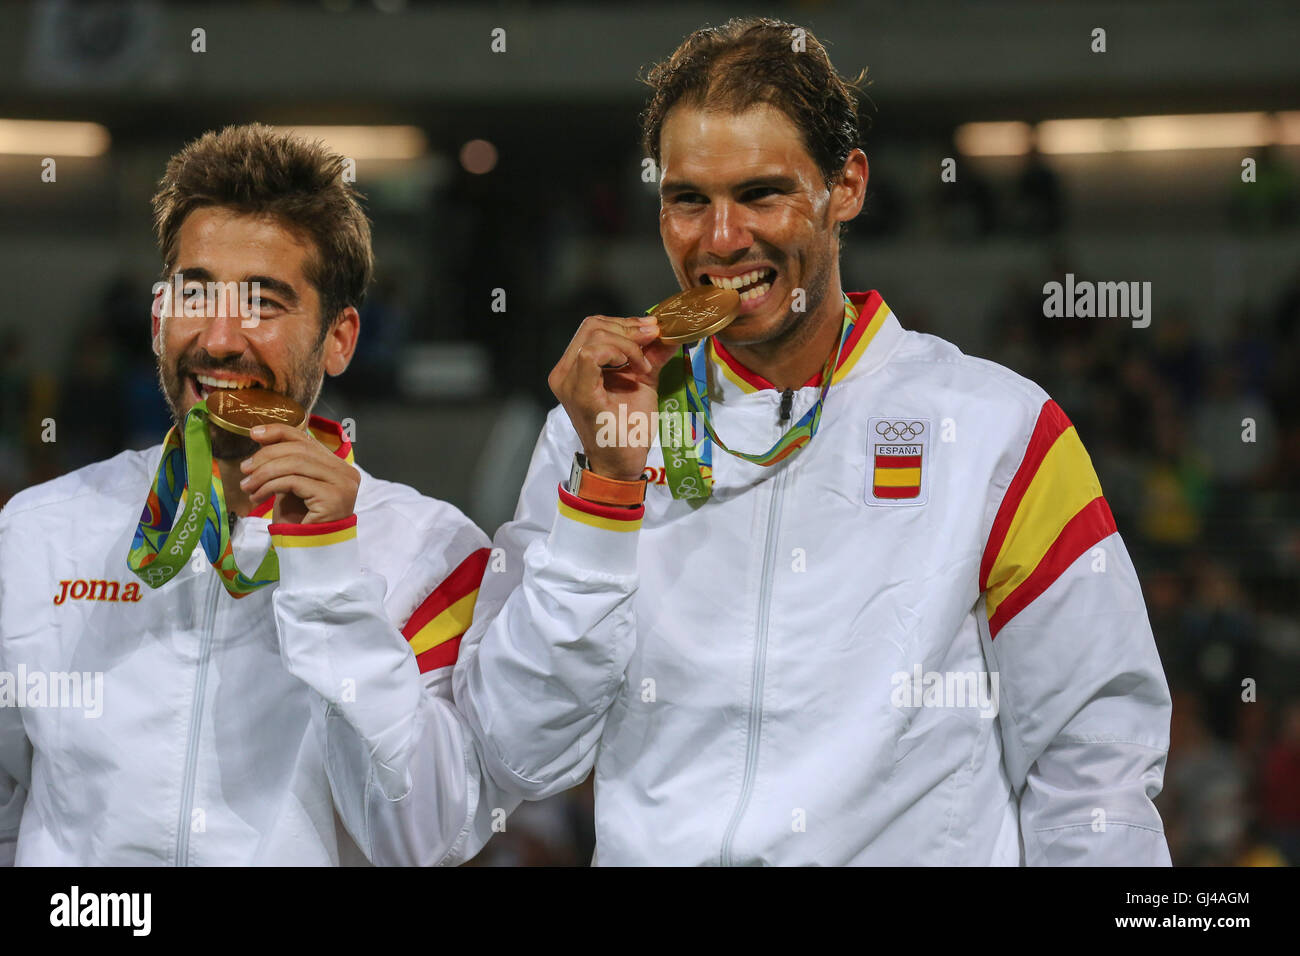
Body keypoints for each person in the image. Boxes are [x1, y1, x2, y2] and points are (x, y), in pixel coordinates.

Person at [454, 18, 1173, 865]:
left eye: (761, 193)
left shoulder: (997, 430)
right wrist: (605, 494)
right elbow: (514, 754)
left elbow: (1096, 769)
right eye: (688, 198)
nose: (720, 240)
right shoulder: (593, 430)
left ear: (847, 188)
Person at [0, 124, 515, 865]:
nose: (217, 339)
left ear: (339, 339)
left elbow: (427, 837)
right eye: (194, 293)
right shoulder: (41, 532)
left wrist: (330, 579)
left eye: (263, 304)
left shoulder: (433, 554)